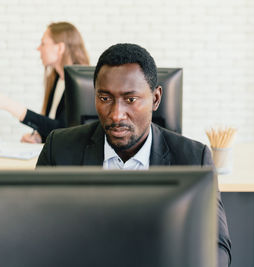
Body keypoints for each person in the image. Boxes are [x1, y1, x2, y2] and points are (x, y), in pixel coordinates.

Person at [36, 43, 232, 266]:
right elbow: (35, 232)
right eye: (104, 98)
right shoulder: (58, 149)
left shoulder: (193, 159)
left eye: (130, 99)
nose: (116, 114)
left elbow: (217, 246)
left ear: (156, 98)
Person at [0, 22, 89, 143]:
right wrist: (39, 137)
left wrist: (12, 107)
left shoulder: (79, 85)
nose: (38, 48)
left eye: (43, 43)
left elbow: (64, 130)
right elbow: (53, 127)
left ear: (60, 48)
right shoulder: (57, 79)